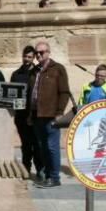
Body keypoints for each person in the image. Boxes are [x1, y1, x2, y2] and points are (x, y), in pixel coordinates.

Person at [28, 42, 72, 189]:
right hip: (36, 115)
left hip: (51, 115)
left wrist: (60, 112)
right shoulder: (34, 71)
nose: (38, 55)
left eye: (42, 52)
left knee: (51, 146)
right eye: (37, 53)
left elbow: (64, 92)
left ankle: (54, 177)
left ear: (48, 52)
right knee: (42, 147)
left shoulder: (58, 69)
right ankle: (47, 175)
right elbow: (31, 94)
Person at [10, 45, 43, 177]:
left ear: (34, 58)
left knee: (37, 144)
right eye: (25, 56)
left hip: (35, 115)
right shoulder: (16, 74)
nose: (26, 59)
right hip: (22, 115)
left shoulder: (38, 72)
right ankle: (26, 169)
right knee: (25, 145)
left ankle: (40, 169)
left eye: (29, 57)